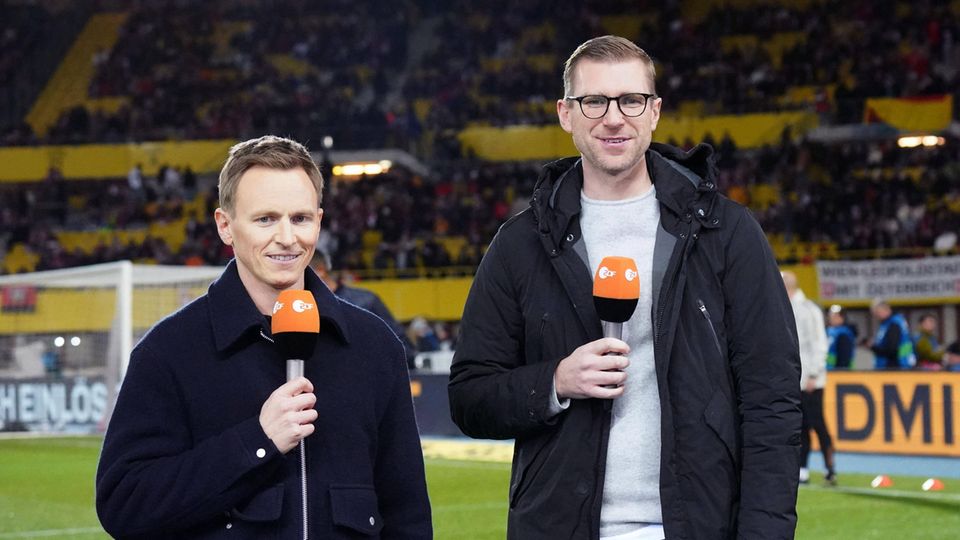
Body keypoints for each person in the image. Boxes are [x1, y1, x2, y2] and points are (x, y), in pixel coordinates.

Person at [448, 35, 802, 540]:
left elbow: (772, 401)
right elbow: (469, 396)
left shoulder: (727, 232)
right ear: (566, 114)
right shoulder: (520, 244)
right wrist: (555, 382)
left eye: (630, 100)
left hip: (697, 524)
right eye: (594, 101)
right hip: (560, 527)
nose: (613, 118)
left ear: (654, 111)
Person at [96, 135, 431, 538]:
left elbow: (407, 512)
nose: (287, 237)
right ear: (225, 226)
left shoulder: (374, 346)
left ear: (319, 222)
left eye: (301, 218)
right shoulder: (168, 351)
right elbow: (125, 504)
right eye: (265, 219)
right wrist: (257, 441)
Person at [310, 249, 417, 368]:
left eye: (301, 272)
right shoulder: (302, 307)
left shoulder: (366, 301)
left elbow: (400, 342)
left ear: (320, 271)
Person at [782, 271, 836, 486]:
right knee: (801, 425)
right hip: (796, 378)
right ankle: (803, 468)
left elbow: (819, 343)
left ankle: (830, 468)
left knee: (818, 424)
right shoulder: (787, 308)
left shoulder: (809, 309)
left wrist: (814, 373)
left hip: (812, 380)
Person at [868, 298, 916, 370]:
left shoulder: (893, 324)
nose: (875, 316)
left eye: (876, 313)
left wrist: (873, 347)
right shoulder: (894, 322)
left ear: (885, 309)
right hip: (902, 363)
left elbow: (892, 349)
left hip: (895, 366)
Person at [825, 304, 856, 370]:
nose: (831, 318)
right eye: (831, 315)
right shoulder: (829, 331)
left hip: (839, 373)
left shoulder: (844, 333)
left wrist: (840, 372)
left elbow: (844, 358)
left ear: (841, 317)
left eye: (835, 316)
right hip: (828, 372)